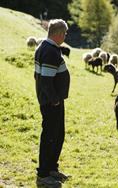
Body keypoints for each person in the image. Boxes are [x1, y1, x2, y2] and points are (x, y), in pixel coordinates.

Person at [34, 19, 70, 186]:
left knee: (57, 135)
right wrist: (54, 99)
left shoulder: (46, 47)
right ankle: (43, 175)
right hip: (51, 102)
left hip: (53, 100)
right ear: (59, 34)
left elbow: (40, 77)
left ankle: (51, 169)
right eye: (65, 33)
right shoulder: (49, 51)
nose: (65, 36)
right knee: (50, 136)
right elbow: (45, 81)